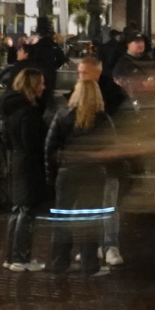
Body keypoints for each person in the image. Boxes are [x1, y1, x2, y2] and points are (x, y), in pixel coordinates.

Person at [45, 74, 121, 276]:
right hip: (94, 174)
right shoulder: (102, 119)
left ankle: (58, 261)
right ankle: (90, 265)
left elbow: (50, 146)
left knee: (63, 218)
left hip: (67, 173)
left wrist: (52, 173)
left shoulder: (63, 115)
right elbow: (112, 147)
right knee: (91, 219)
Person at [0, 69, 50, 271]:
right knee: (27, 211)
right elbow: (33, 143)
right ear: (32, 86)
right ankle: (20, 258)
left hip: (18, 162)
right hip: (29, 166)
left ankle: (11, 256)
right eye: (41, 84)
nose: (44, 87)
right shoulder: (28, 113)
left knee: (18, 210)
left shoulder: (13, 109)